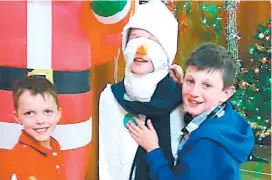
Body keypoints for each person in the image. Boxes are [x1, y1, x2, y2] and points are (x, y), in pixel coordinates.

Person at [127, 42, 255, 180]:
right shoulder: (227, 119)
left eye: (207, 85)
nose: (194, 92)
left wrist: (152, 149)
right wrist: (183, 83)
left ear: (226, 93)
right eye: (190, 81)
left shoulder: (206, 145)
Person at [99, 0, 185, 179]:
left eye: (152, 40)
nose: (141, 47)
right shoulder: (110, 97)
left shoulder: (182, 101)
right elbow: (107, 161)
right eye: (135, 37)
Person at [0, 75, 65, 180]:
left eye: (47, 111)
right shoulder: (21, 159)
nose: (40, 121)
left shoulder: (54, 145)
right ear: (18, 117)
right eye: (29, 113)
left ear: (58, 114)